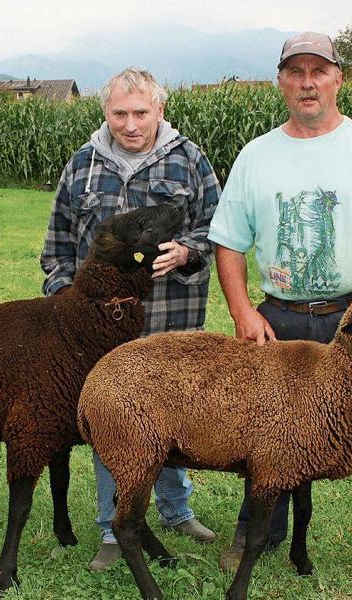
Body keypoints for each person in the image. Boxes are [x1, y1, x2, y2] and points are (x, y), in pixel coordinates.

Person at [207, 32, 352, 600]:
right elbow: (229, 244)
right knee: (270, 436)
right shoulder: (256, 155)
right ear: (281, 82)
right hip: (280, 320)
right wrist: (242, 311)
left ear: (338, 78)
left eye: (318, 71)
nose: (307, 82)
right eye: (296, 72)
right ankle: (256, 536)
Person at [41, 67, 220, 571]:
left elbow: (217, 227)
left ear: (159, 110)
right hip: (101, 333)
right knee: (112, 422)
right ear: (106, 113)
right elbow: (56, 249)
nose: (130, 124)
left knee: (174, 416)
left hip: (172, 319)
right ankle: (112, 529)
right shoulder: (81, 166)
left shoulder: (190, 160)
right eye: (119, 113)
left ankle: (175, 509)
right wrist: (70, 303)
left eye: (140, 112)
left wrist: (187, 251)